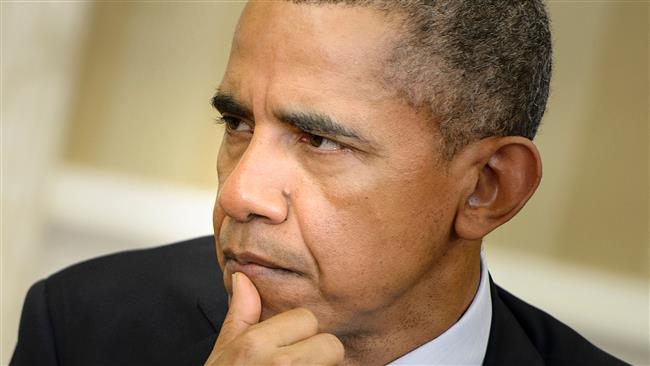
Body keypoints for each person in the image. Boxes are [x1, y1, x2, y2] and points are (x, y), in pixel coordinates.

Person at [11, 1, 628, 365]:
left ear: (488, 188)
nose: (238, 193)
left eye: (319, 139)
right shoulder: (84, 325)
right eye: (237, 123)